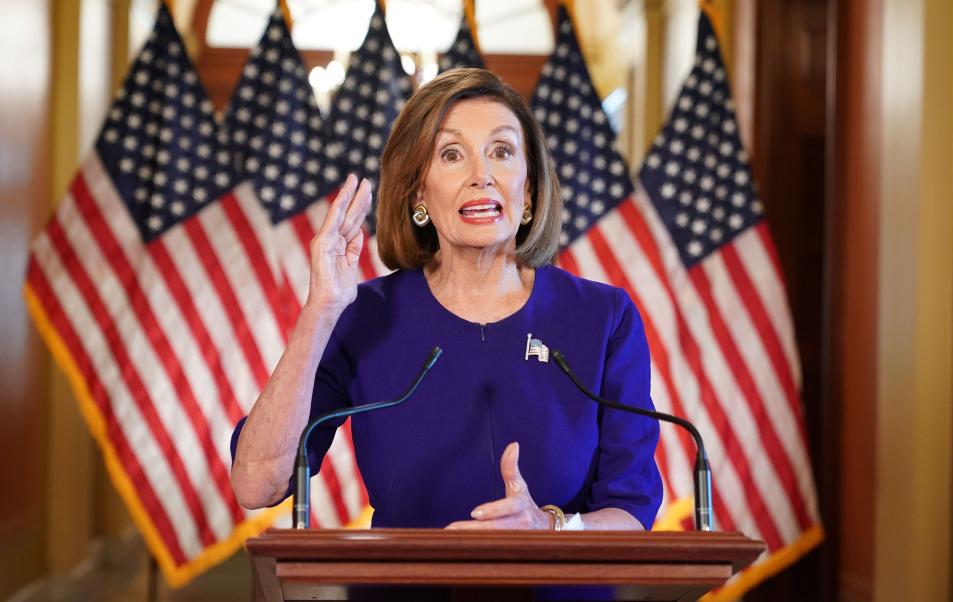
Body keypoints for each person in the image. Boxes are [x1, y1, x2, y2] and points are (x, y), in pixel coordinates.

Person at [230, 68, 662, 532]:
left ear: (530, 190)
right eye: (452, 154)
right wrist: (320, 311)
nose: (482, 176)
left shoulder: (603, 319)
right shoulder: (365, 318)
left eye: (501, 152)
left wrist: (550, 529)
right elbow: (258, 484)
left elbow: (631, 510)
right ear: (419, 192)